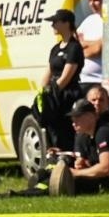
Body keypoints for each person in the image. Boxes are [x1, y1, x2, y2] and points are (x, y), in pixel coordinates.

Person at [37, 8, 83, 153]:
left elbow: (65, 78)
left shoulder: (74, 48)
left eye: (55, 22)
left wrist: (53, 91)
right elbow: (48, 72)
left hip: (68, 95)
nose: (52, 26)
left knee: (66, 131)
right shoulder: (55, 49)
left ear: (66, 23)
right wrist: (42, 92)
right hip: (54, 95)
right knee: (52, 130)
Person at [76, 0, 104, 95]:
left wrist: (85, 44)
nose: (92, 4)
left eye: (96, 0)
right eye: (89, 1)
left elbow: (97, 50)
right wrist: (95, 42)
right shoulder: (89, 21)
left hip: (99, 83)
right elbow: (74, 45)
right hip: (83, 81)